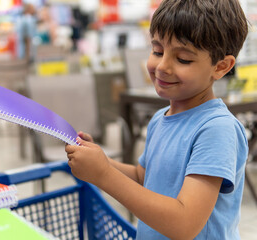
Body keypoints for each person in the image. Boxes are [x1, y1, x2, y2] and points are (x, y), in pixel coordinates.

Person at [65, 0, 249, 239]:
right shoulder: (159, 119)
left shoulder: (216, 129)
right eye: (157, 51)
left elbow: (185, 224)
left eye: (183, 59)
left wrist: (103, 175)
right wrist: (101, 160)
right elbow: (145, 178)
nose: (162, 66)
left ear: (221, 66)